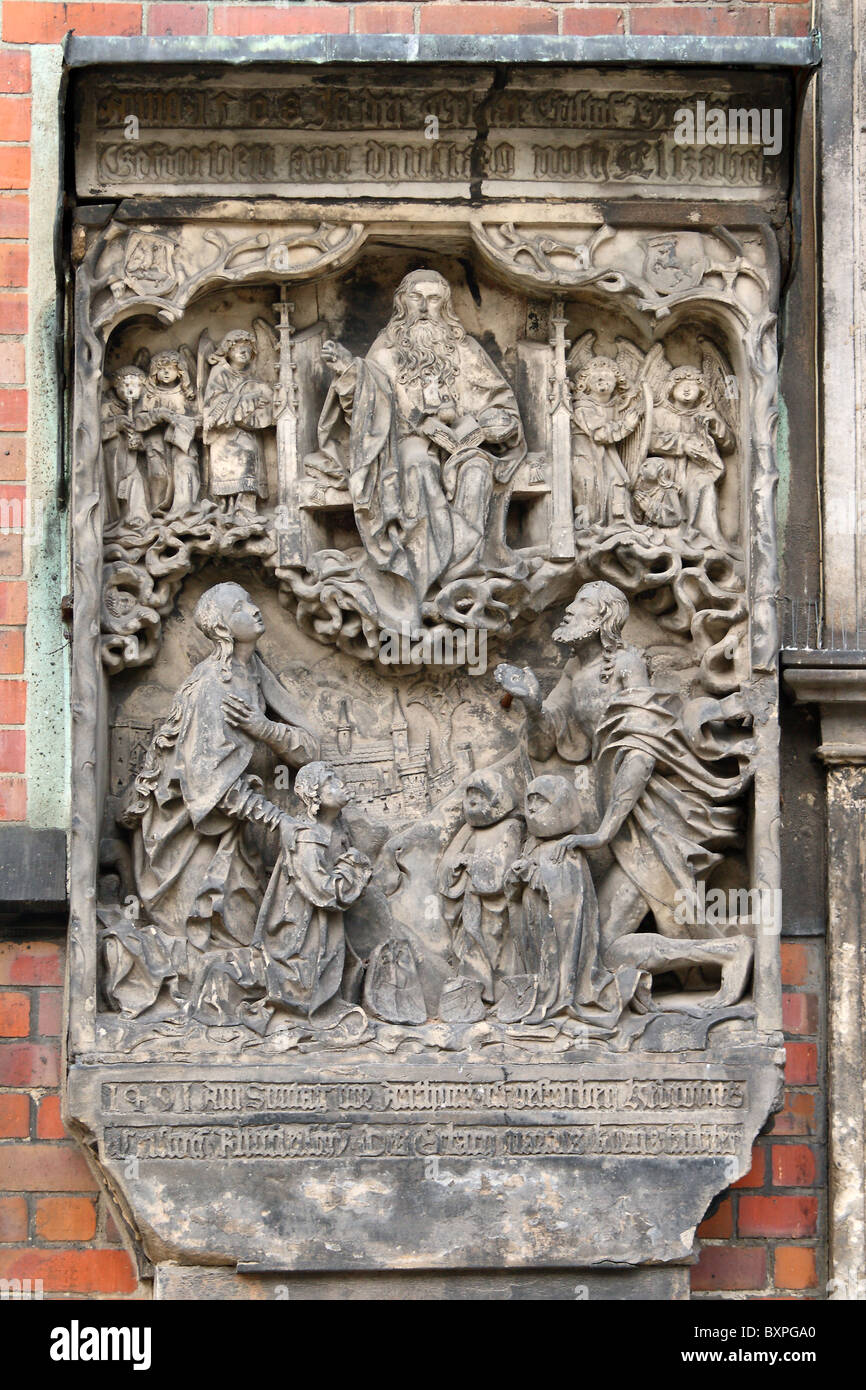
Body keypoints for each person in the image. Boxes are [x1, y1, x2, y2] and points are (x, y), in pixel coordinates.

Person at [494, 580, 754, 1012]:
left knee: (623, 939)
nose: (567, 613)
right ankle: (723, 957)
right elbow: (544, 744)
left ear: (600, 619)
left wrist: (601, 834)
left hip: (650, 815)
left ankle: (729, 954)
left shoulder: (626, 664)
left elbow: (640, 753)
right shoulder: (575, 671)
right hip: (617, 814)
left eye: (577, 605)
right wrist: (534, 704)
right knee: (603, 948)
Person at [122, 583, 318, 992]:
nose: (254, 610)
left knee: (242, 931)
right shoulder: (213, 684)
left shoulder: (254, 671)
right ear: (224, 628)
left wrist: (265, 729)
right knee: (219, 935)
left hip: (231, 827)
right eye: (241, 607)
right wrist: (279, 820)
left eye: (251, 599)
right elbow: (209, 787)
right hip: (192, 833)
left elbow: (311, 748)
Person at [306, 269, 527, 626]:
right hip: (408, 441)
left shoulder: (464, 348)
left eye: (434, 299)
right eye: (416, 298)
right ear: (401, 302)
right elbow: (367, 400)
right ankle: (421, 577)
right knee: (416, 467)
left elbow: (499, 400)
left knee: (477, 470)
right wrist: (349, 371)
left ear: (446, 306)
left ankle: (462, 571)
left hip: (464, 443)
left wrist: (491, 422)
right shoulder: (387, 348)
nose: (424, 307)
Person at [254, 762, 372, 1024]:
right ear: (314, 795)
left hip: (323, 929)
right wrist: (355, 868)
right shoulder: (306, 835)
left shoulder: (338, 830)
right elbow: (324, 891)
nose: (340, 783)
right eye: (330, 780)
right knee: (307, 992)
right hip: (300, 933)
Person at [203, 330, 276, 515]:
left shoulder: (250, 377)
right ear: (227, 350)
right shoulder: (220, 373)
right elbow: (215, 403)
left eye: (247, 349)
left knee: (251, 457)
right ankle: (228, 510)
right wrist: (248, 400)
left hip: (247, 430)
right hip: (225, 434)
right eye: (238, 348)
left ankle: (245, 509)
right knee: (240, 459)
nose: (243, 352)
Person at [101, 365, 153, 529]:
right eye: (127, 385)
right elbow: (95, 431)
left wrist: (139, 442)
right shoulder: (106, 406)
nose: (132, 390)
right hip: (112, 458)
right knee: (121, 484)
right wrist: (116, 424)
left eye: (137, 386)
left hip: (129, 459)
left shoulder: (140, 408)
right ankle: (118, 519)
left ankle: (137, 517)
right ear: (116, 385)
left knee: (136, 480)